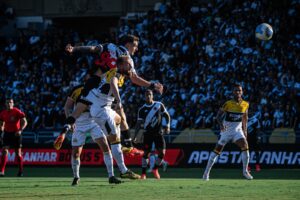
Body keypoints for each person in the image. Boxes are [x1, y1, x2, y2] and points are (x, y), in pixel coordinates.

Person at [65, 34, 163, 156]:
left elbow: (92, 49)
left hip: (91, 86)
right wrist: (152, 85)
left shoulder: (109, 46)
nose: (136, 49)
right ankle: (127, 145)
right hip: (105, 91)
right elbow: (134, 78)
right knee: (120, 116)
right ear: (128, 44)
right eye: (135, 45)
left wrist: (74, 49)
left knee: (79, 111)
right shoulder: (127, 59)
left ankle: (66, 128)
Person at [55, 55, 140, 183]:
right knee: (79, 152)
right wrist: (66, 129)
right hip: (89, 119)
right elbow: (70, 110)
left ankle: (114, 170)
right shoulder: (81, 91)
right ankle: (78, 176)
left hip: (96, 119)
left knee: (117, 122)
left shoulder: (98, 86)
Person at [202, 84, 253, 181]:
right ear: (233, 92)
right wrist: (221, 125)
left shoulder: (246, 104)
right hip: (226, 131)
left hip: (238, 131)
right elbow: (217, 117)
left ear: (242, 92)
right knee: (217, 152)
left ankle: (245, 171)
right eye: (236, 90)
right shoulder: (228, 104)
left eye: (239, 90)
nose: (238, 92)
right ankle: (206, 173)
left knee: (245, 146)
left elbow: (245, 118)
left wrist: (245, 130)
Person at [134, 89, 170, 179]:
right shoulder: (142, 109)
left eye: (150, 94)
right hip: (148, 134)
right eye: (146, 95)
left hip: (158, 133)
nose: (148, 96)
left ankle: (155, 169)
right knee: (146, 153)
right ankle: (143, 174)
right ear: (144, 96)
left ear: (152, 95)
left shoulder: (159, 105)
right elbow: (138, 124)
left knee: (162, 153)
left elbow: (166, 115)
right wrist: (135, 136)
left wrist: (168, 125)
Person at [0, 98, 27, 177]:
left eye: (10, 102)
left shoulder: (17, 111)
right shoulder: (2, 113)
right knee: (4, 150)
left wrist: (20, 130)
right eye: (7, 102)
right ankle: (2, 171)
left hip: (16, 134)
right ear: (5, 104)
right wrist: (1, 132)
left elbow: (25, 121)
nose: (9, 104)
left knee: (18, 154)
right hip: (7, 134)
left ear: (13, 103)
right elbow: (1, 124)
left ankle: (20, 171)